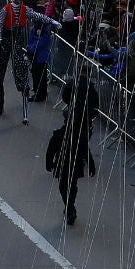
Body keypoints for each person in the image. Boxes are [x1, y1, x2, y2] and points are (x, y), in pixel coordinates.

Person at [50, 78, 99, 227]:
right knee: (73, 186)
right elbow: (85, 150)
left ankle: (69, 207)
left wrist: (49, 163)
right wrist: (91, 165)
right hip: (75, 164)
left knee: (62, 186)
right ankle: (70, 206)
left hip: (62, 164)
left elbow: (50, 149)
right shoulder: (79, 137)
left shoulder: (59, 133)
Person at [0, 0, 34, 121]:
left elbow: (36, 15)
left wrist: (51, 21)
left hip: (17, 40)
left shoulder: (25, 9)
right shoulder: (5, 9)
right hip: (5, 40)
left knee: (20, 67)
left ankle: (24, 88)